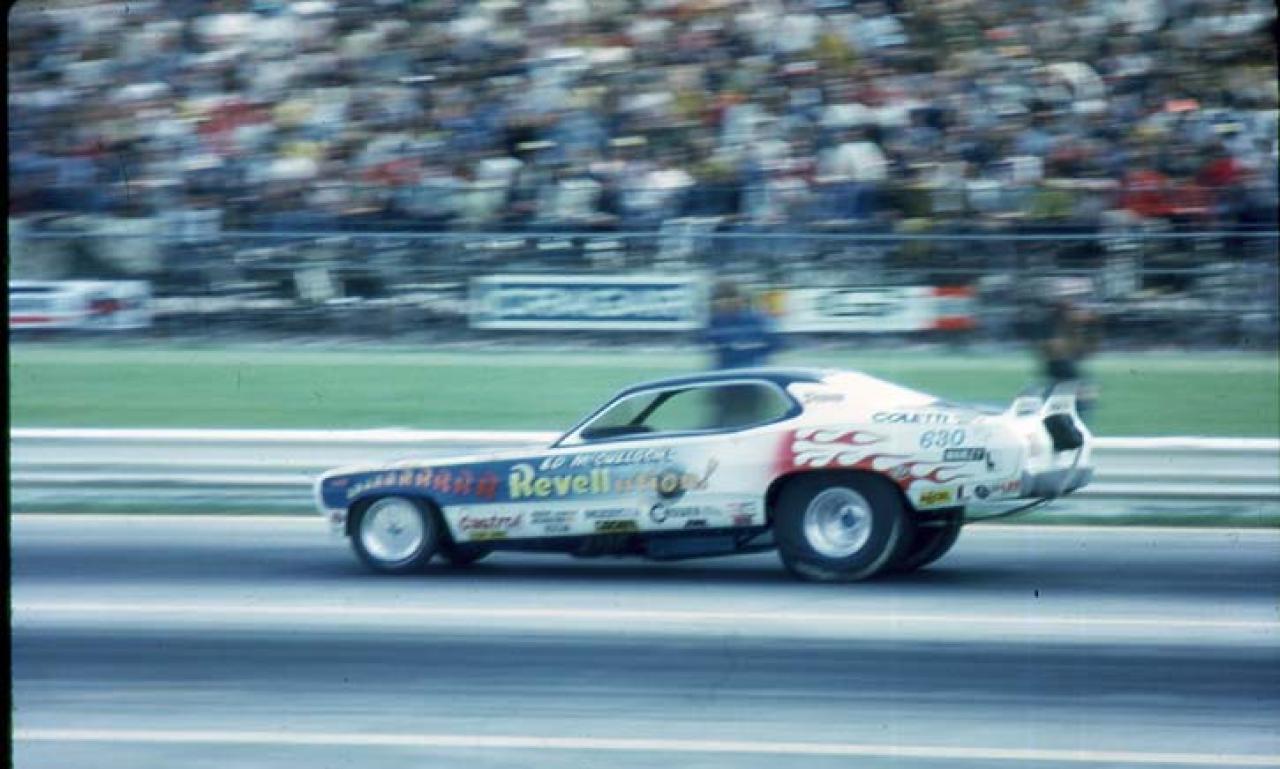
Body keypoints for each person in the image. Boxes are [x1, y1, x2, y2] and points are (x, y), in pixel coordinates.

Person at [1033, 279, 1102, 421]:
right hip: (1061, 369)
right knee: (1074, 401)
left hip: (1063, 369)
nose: (1076, 301)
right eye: (1071, 297)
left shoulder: (1068, 318)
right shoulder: (1053, 319)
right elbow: (1055, 349)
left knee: (1074, 402)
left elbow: (1084, 348)